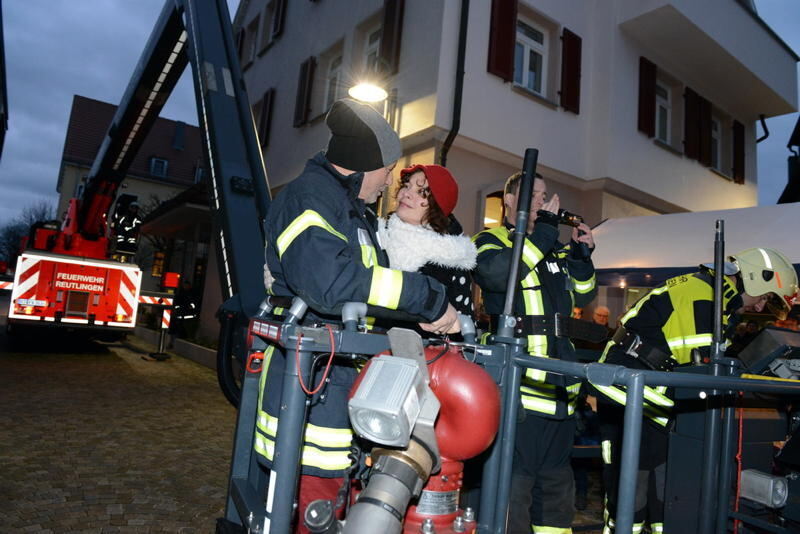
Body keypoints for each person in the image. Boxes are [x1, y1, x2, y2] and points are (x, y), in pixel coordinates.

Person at [258, 98, 460, 533]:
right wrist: (425, 297)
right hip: (309, 401)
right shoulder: (311, 198)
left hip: (333, 393)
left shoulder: (349, 209)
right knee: (305, 518)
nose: (391, 181)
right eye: (389, 170)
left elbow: (369, 292)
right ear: (366, 167)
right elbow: (329, 282)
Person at [594, 248, 799, 534]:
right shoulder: (701, 295)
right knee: (632, 489)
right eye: (765, 298)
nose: (761, 308)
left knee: (665, 489)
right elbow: (700, 368)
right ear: (753, 279)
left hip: (654, 400)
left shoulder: (714, 299)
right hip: (629, 395)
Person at [473, 171, 597, 534]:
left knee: (557, 497)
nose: (541, 201)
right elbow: (497, 276)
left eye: (544, 195)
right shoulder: (489, 240)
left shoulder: (551, 248)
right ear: (508, 200)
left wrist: (580, 254)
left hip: (560, 393)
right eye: (533, 195)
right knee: (514, 494)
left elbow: (585, 293)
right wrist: (543, 233)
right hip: (519, 392)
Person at [377, 163, 476, 319]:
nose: (407, 194)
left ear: (436, 206)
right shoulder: (377, 234)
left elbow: (462, 323)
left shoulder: (450, 257)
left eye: (421, 192)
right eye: (407, 186)